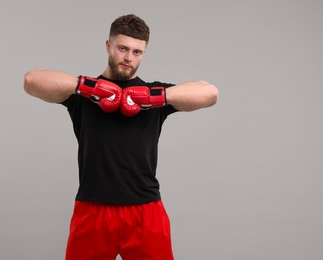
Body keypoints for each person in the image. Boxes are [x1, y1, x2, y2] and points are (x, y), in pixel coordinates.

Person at [24, 14, 218, 260]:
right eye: (123, 48)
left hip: (145, 212)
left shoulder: (155, 93)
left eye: (137, 52)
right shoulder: (82, 95)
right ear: (108, 46)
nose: (129, 58)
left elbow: (210, 92)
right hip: (92, 211)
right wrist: (89, 87)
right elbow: (32, 80)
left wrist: (154, 97)